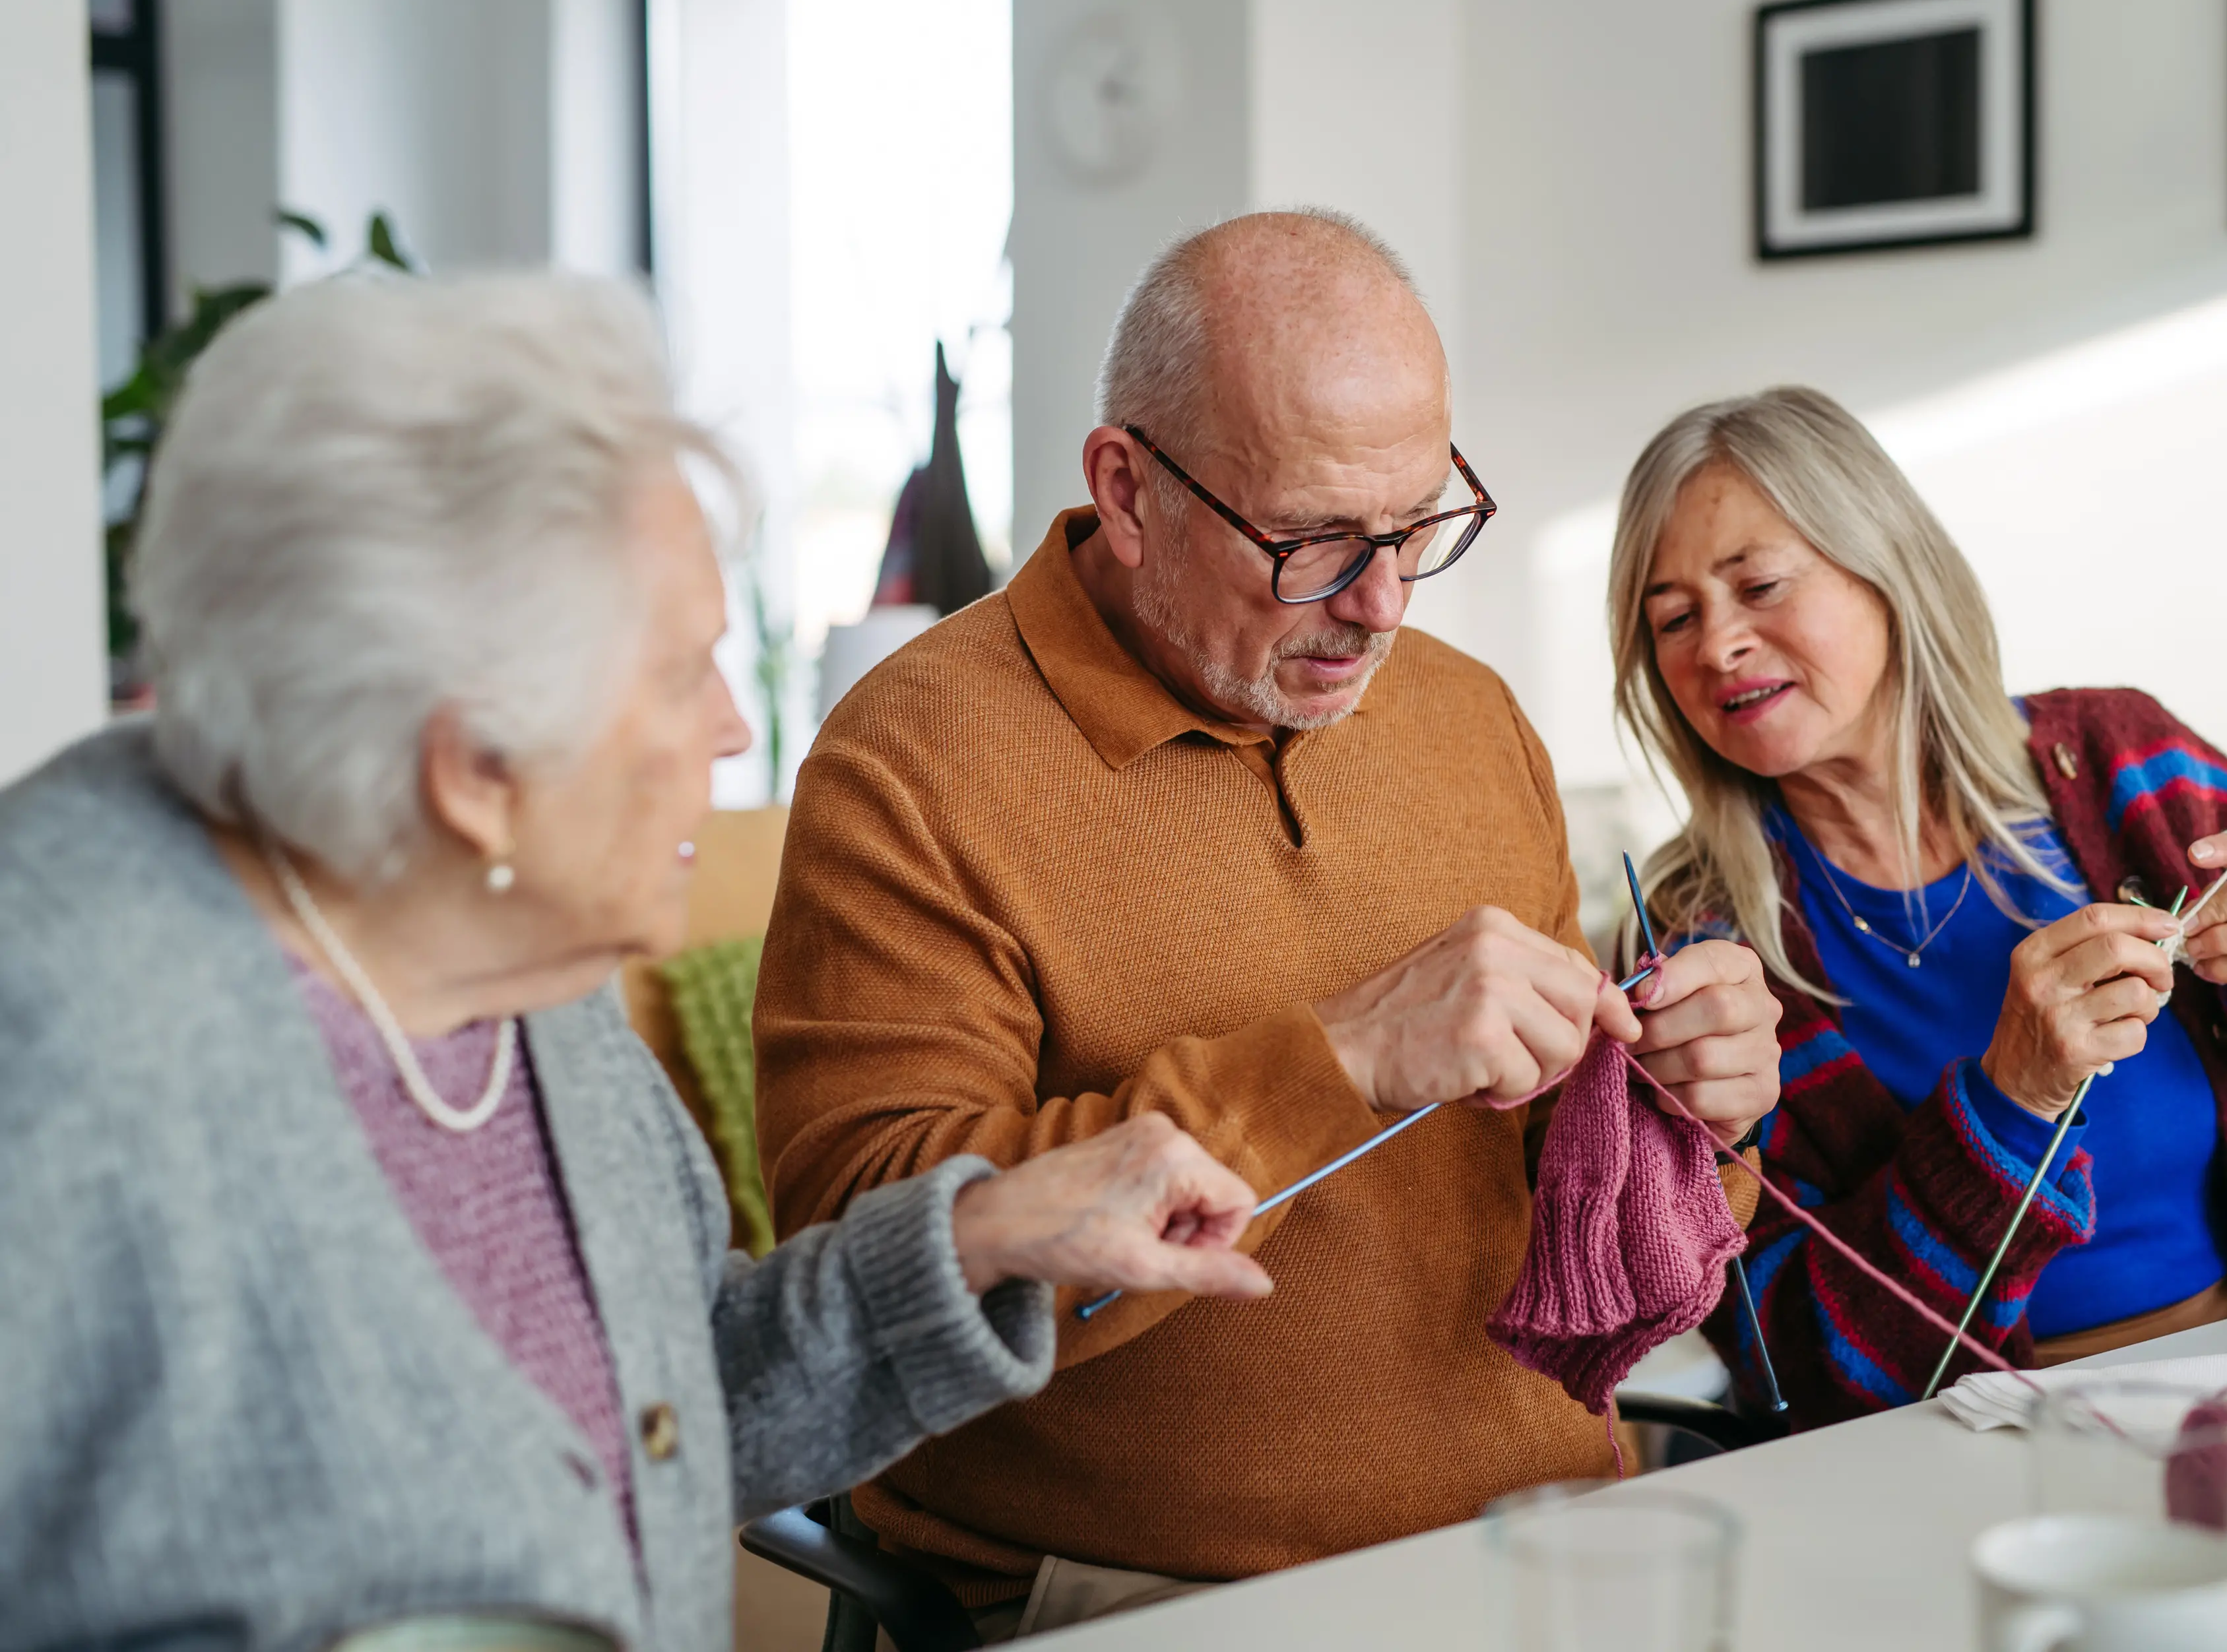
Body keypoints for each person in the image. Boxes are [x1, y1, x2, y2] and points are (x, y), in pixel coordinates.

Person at [0, 273, 1281, 1652]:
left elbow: (658, 1410)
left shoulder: (505, 965)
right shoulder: (64, 1064)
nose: (735, 730)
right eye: (683, 675)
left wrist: (985, 1232)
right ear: (476, 774)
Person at [752, 209, 1784, 1637]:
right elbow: (867, 1268)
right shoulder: (911, 763)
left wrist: (1684, 1115)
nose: (1379, 604)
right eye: (1312, 539)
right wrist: (1336, 1055)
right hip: (1159, 1588)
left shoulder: (1468, 716)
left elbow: (1577, 1214)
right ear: (1126, 488)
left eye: (1420, 524)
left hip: (1537, 1536)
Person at [1603, 385, 2227, 1427]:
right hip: (1957, 1454)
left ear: (1888, 573)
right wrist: (2006, 1102)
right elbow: (1797, 1366)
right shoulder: (1693, 950)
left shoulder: (2129, 766)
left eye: (1758, 585)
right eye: (1673, 619)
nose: (1717, 646)